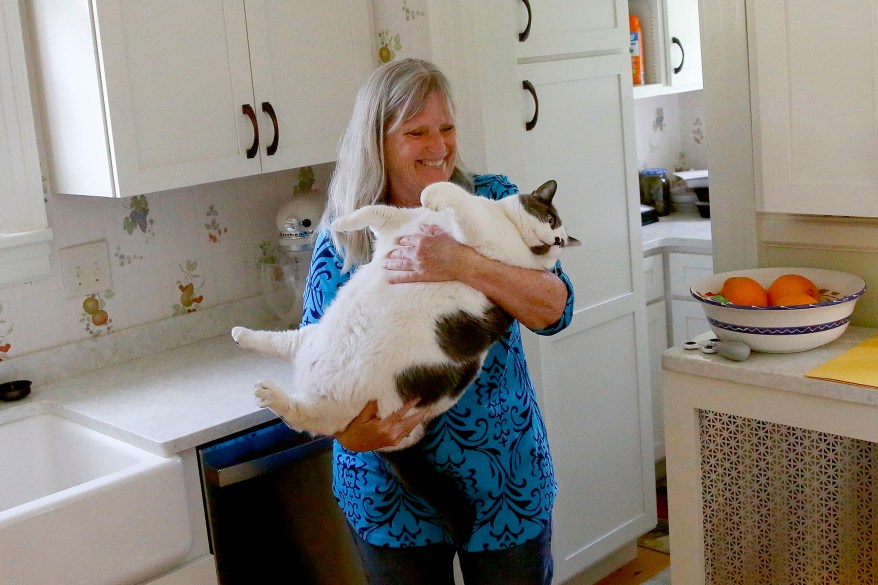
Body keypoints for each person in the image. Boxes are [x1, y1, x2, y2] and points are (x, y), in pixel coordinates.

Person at [302, 58, 574, 585]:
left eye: (447, 127)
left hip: (503, 479)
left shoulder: (494, 199)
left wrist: (463, 263)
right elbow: (318, 360)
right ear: (376, 142)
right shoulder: (347, 232)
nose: (440, 145)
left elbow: (555, 309)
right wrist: (355, 434)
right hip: (388, 488)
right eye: (417, 132)